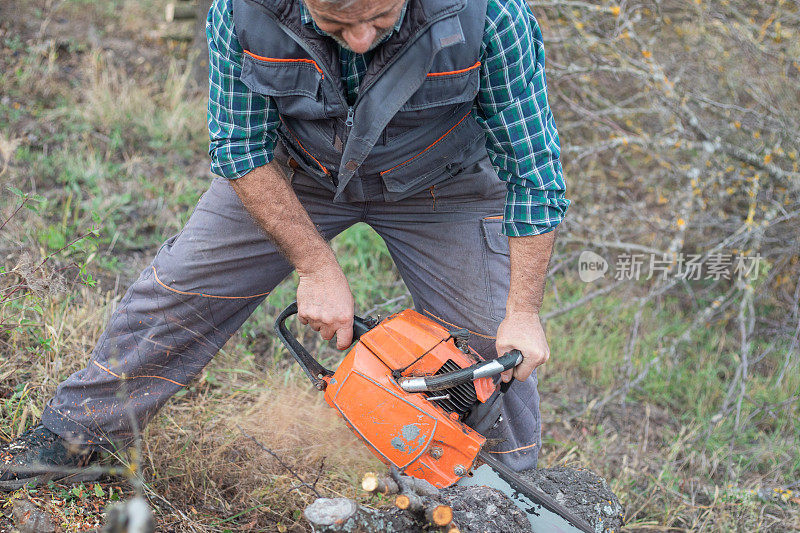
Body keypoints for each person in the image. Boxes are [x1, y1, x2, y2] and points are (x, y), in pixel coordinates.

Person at [0, 0, 568, 489]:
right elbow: (239, 147)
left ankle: (500, 489)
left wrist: (522, 312)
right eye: (336, 21)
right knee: (180, 287)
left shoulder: (490, 16)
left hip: (442, 182)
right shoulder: (244, 12)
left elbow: (533, 166)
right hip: (294, 171)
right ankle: (78, 435)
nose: (362, 38)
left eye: (379, 16)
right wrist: (316, 266)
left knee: (493, 347)